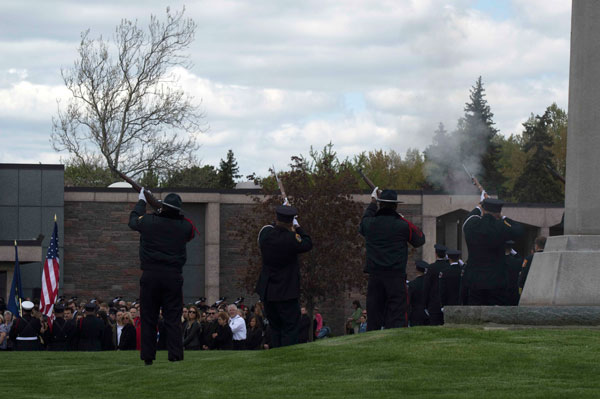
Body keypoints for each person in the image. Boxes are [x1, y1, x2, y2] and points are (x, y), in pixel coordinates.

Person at [129, 189, 196, 365]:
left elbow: (133, 221)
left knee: (148, 317)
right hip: (173, 276)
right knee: (173, 318)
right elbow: (190, 230)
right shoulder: (184, 226)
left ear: (163, 207)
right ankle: (175, 355)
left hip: (150, 274)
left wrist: (143, 202)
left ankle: (148, 356)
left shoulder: (149, 221)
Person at [359, 188, 426, 330]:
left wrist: (372, 203)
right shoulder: (402, 225)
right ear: (395, 206)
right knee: (397, 317)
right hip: (395, 277)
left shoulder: (370, 224)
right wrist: (401, 218)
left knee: (374, 317)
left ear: (380, 204)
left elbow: (364, 222)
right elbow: (420, 239)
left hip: (375, 277)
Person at [255, 204, 313, 348]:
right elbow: (307, 243)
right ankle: (287, 356)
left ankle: (276, 355)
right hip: (287, 291)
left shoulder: (265, 234)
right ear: (291, 221)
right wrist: (297, 226)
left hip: (268, 291)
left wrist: (286, 217)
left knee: (275, 327)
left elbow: (270, 227)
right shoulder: (292, 238)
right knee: (290, 327)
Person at [462, 197, 524, 306]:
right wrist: (503, 217)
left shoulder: (472, 224)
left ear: (484, 210)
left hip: (474, 278)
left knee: (475, 309)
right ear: (498, 212)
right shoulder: (501, 226)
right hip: (496, 279)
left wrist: (479, 206)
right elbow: (518, 230)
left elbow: (469, 217)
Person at [423, 244, 448, 326]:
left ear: (436, 254)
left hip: (434, 303)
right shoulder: (448, 267)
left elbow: (426, 286)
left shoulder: (431, 268)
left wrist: (425, 304)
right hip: (447, 302)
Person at [408, 260, 430, 327]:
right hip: (428, 311)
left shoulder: (412, 284)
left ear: (416, 269)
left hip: (415, 313)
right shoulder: (429, 283)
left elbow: (409, 300)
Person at [504, 241, 523, 306]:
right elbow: (520, 260)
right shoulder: (516, 261)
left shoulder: (498, 261)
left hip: (501, 292)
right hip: (513, 291)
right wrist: (515, 253)